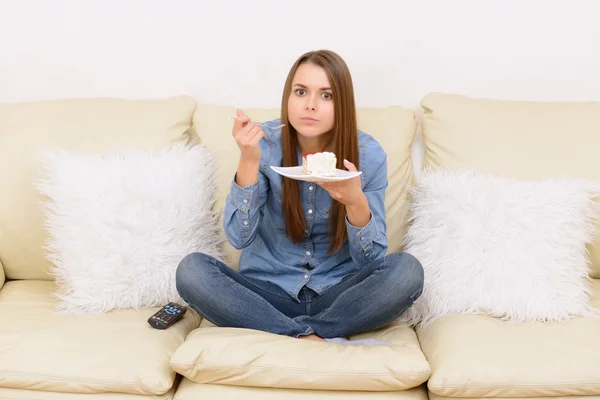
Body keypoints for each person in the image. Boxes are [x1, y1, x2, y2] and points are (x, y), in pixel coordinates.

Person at [176, 49, 423, 345]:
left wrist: (355, 202)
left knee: (407, 271)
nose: (310, 105)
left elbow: (369, 260)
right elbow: (239, 238)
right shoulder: (265, 145)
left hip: (338, 295)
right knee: (191, 270)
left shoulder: (368, 154)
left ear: (342, 103)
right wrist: (249, 160)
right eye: (301, 91)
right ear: (288, 97)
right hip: (265, 293)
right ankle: (306, 335)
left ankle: (287, 330)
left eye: (326, 95)